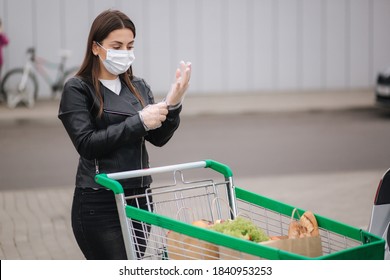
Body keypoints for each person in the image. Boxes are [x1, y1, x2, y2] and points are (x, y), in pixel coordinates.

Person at [58, 9, 191, 260]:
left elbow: (158, 138)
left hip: (139, 196)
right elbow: (87, 144)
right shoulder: (78, 89)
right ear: (96, 48)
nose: (125, 52)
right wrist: (139, 121)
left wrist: (173, 105)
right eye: (116, 46)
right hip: (100, 199)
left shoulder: (138, 86)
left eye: (129, 46)